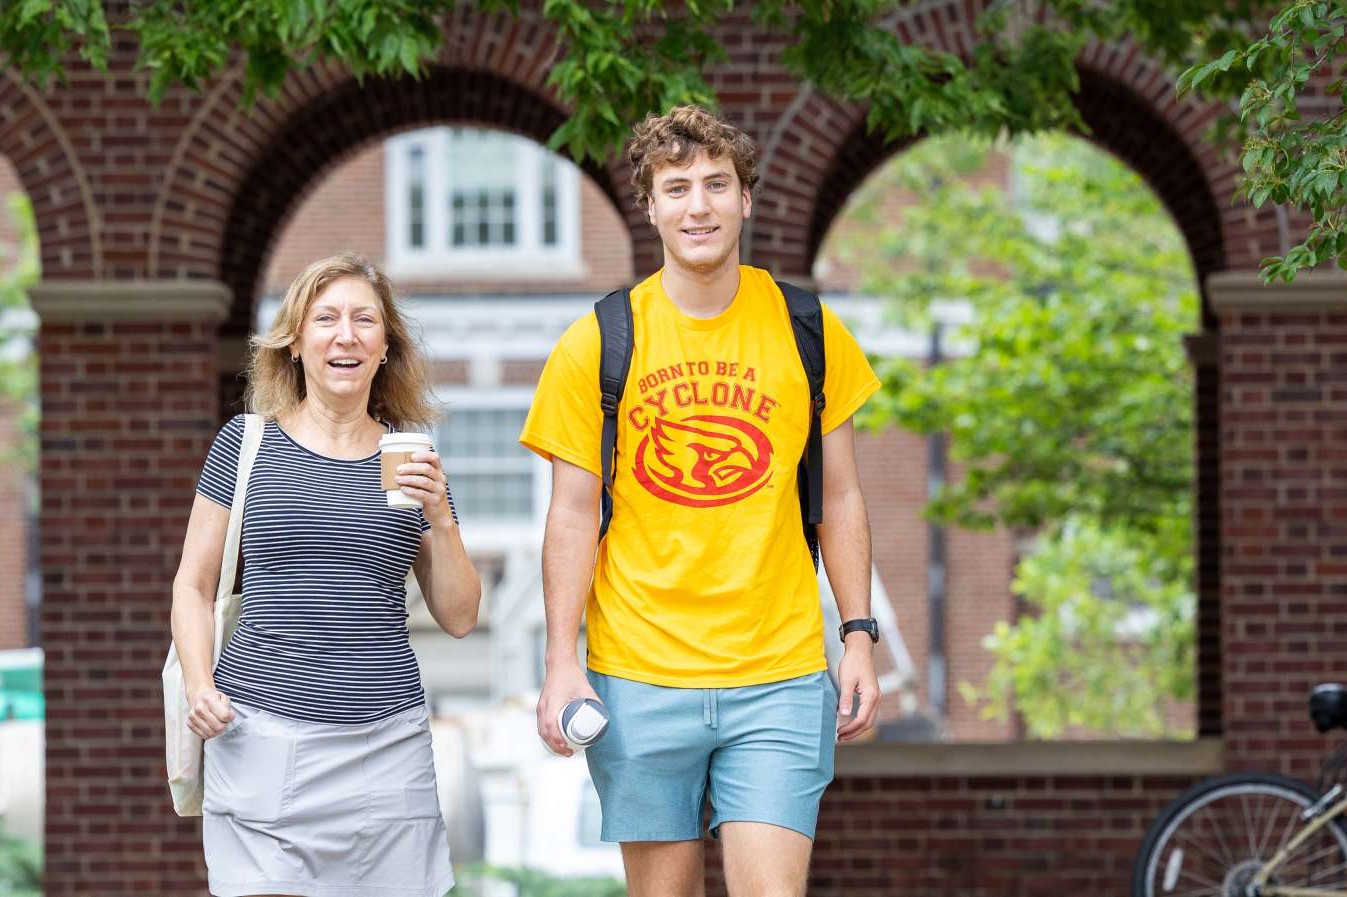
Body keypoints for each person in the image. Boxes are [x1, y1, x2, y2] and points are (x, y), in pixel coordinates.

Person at [518, 105, 883, 896]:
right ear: (649, 206)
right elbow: (572, 513)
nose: (699, 205)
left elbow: (843, 496)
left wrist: (857, 636)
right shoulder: (598, 341)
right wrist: (558, 662)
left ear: (746, 200)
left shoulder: (809, 329)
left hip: (780, 673)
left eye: (718, 184)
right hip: (637, 674)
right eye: (676, 187)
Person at [169, 252, 482, 897]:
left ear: (386, 346)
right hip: (260, 735)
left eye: (365, 320)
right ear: (295, 341)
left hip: (384, 748)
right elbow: (194, 586)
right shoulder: (246, 444)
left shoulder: (411, 458)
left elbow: (460, 616)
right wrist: (200, 684)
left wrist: (442, 520)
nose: (347, 335)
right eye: (327, 318)